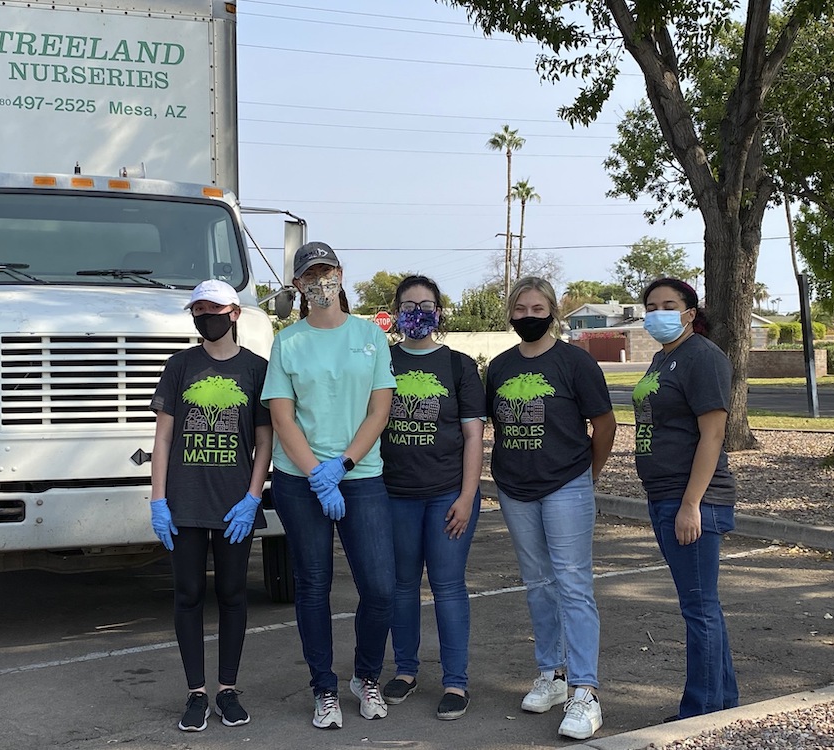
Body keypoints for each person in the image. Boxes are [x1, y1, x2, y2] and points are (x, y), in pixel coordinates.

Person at [261, 241, 397, 730]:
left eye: (327, 270)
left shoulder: (370, 336)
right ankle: (324, 687)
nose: (320, 280)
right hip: (300, 480)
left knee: (380, 587)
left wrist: (341, 465)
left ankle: (366, 676)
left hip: (360, 476)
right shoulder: (288, 342)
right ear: (298, 285)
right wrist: (318, 476)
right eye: (310, 274)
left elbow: (379, 409)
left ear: (341, 274)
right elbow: (282, 414)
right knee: (313, 585)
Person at [485, 276, 616, 741]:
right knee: (539, 585)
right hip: (515, 488)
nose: (528, 316)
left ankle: (586, 691)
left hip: (566, 486)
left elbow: (604, 425)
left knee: (574, 585)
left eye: (537, 308)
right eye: (520, 309)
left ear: (553, 311)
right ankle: (552, 675)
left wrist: (588, 475)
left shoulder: (576, 363)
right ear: (510, 314)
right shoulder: (499, 367)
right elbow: (494, 426)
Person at [149, 279, 273, 733]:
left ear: (235, 314)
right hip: (184, 503)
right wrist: (158, 499)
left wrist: (252, 497)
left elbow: (264, 441)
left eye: (213, 308)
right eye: (198, 309)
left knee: (234, 595)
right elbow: (163, 437)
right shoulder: (179, 366)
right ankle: (196, 693)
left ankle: (227, 689)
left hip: (233, 505)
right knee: (187, 596)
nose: (205, 315)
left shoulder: (257, 369)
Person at [379, 275, 486, 721]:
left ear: (440, 311)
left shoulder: (459, 366)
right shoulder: (380, 362)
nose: (417, 312)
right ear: (396, 311)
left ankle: (455, 681)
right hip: (393, 495)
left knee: (447, 587)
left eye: (426, 304)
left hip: (447, 495)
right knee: (401, 587)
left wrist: (467, 495)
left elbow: (474, 435)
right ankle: (405, 671)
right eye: (408, 304)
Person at [633, 277, 739, 720]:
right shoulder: (663, 358)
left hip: (692, 498)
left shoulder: (703, 357)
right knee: (702, 606)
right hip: (664, 494)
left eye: (669, 304)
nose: (659, 311)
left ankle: (700, 711)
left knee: (698, 608)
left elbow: (713, 434)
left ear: (690, 313)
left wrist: (691, 503)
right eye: (651, 305)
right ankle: (724, 700)